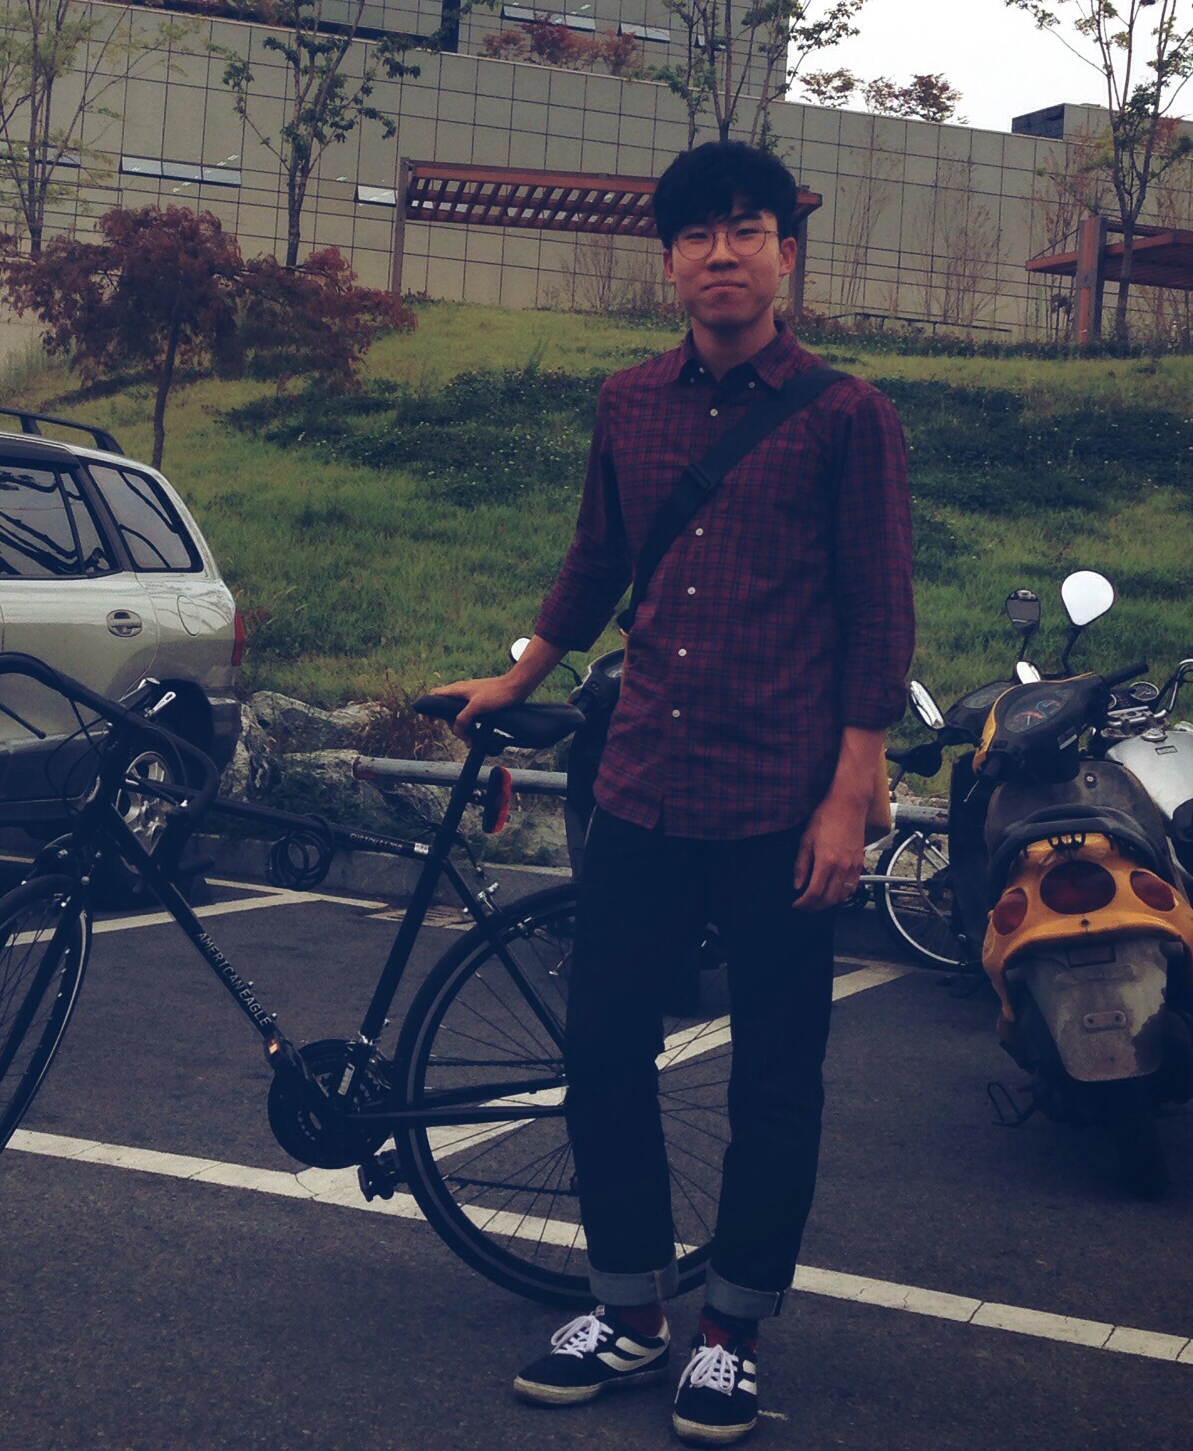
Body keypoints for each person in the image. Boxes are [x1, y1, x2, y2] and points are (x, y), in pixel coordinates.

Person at [440, 140, 913, 1443]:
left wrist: (850, 793)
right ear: (668, 265)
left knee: (776, 1081)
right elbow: (597, 560)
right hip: (644, 781)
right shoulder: (628, 403)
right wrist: (521, 672)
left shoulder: (847, 414)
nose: (722, 254)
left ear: (784, 256)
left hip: (782, 802)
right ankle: (633, 1314)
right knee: (600, 1053)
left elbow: (879, 611)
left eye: (747, 230)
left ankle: (732, 1335)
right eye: (698, 235)